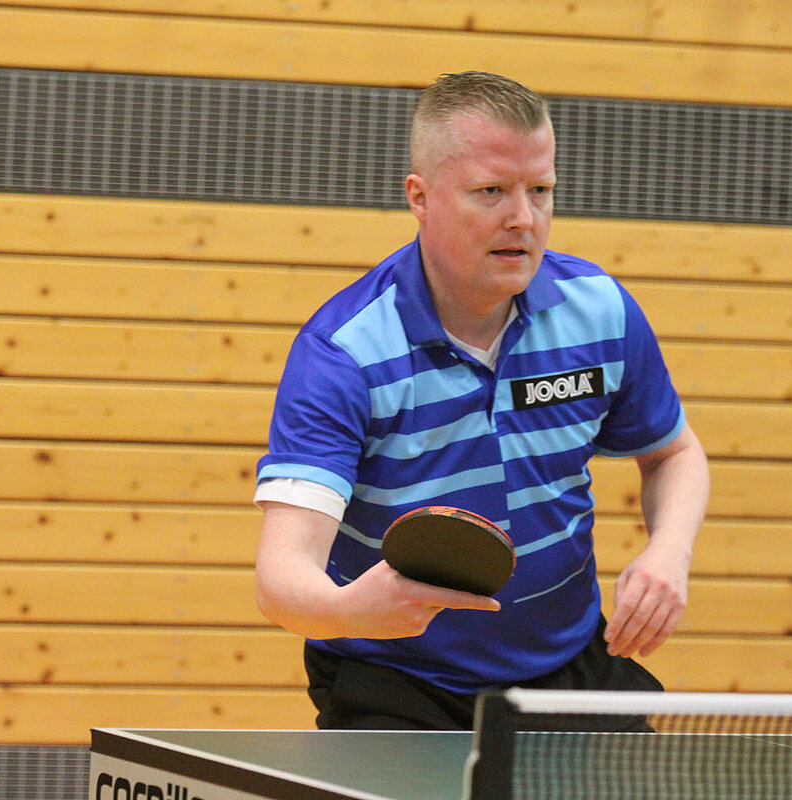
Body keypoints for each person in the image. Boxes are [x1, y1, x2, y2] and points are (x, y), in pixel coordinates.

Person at [253, 71, 710, 731]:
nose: (523, 218)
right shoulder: (346, 354)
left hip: (567, 667)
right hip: (399, 685)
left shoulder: (600, 312)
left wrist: (670, 550)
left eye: (540, 190)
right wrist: (350, 609)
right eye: (491, 191)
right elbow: (281, 579)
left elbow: (674, 453)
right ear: (420, 197)